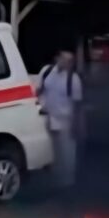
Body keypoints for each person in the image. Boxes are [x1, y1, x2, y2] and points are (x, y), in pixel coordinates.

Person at [37, 49, 84, 188]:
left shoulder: (73, 79)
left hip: (65, 121)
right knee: (52, 153)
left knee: (68, 155)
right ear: (58, 58)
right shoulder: (47, 72)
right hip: (47, 118)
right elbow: (39, 89)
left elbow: (77, 104)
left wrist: (77, 124)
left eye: (71, 61)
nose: (68, 63)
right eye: (66, 59)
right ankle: (54, 183)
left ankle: (68, 185)